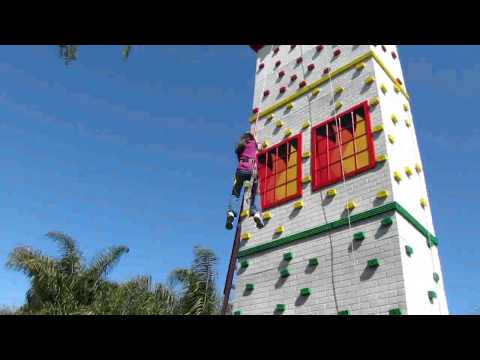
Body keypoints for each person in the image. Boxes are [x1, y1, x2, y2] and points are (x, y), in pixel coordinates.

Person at [226, 132, 264, 230]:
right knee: (255, 191)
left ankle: (231, 212)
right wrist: (255, 140)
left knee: (236, 192)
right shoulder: (254, 143)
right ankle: (255, 212)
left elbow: (240, 159)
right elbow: (261, 147)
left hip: (240, 170)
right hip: (251, 170)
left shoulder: (240, 148)